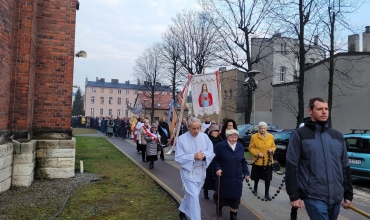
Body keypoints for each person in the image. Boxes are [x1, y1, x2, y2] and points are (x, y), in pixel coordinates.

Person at [286, 97, 353, 220]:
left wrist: (348, 194)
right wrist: (294, 195)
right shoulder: (300, 135)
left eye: (326, 109)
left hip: (336, 196)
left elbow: (345, 166)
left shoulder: (337, 136)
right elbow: (291, 165)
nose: (324, 112)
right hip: (313, 196)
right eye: (320, 109)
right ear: (310, 111)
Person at [175, 117, 215, 220]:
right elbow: (178, 158)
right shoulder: (181, 139)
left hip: (200, 171)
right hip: (188, 171)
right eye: (193, 128)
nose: (196, 131)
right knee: (194, 197)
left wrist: (204, 155)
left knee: (193, 194)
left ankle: (182, 210)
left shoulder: (205, 137)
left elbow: (211, 151)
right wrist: (193, 156)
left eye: (198, 128)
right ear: (188, 127)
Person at [214, 129, 249, 220]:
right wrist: (218, 169)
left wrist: (246, 172)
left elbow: (243, 161)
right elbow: (216, 160)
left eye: (236, 137)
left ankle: (233, 215)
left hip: (237, 176)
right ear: (227, 137)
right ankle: (219, 207)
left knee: (236, 196)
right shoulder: (220, 146)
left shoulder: (240, 147)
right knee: (222, 195)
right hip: (224, 176)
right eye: (232, 137)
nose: (234, 139)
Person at [248, 121, 276, 201]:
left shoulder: (271, 136)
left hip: (268, 161)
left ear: (266, 129)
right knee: (256, 177)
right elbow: (251, 148)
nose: (263, 130)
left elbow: (274, 146)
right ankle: (255, 189)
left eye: (264, 128)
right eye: (261, 128)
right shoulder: (254, 137)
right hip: (258, 161)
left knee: (267, 178)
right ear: (258, 129)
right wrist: (257, 153)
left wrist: (272, 150)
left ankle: (267, 194)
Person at [203, 124, 223, 211]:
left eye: (216, 131)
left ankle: (216, 194)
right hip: (209, 161)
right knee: (208, 177)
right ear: (210, 132)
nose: (215, 133)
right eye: (214, 131)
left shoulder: (220, 139)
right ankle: (206, 191)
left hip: (217, 161)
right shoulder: (207, 139)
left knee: (216, 178)